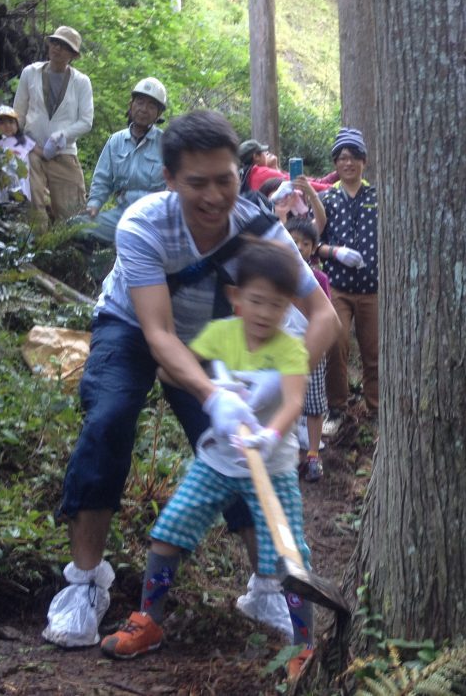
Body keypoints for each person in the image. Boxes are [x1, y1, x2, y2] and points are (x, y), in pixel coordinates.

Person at [41, 110, 338, 652]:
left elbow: (324, 318)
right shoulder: (143, 225)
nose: (213, 196)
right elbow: (158, 336)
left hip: (219, 343)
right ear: (170, 179)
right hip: (133, 327)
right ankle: (84, 585)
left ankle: (267, 586)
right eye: (196, 182)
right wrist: (211, 396)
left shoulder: (261, 231)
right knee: (108, 421)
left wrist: (273, 387)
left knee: (244, 449)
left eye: (224, 180)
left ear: (238, 175)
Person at [99, 239, 316, 678]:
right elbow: (172, 366)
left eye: (275, 305)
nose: (263, 313)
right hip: (215, 462)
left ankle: (304, 645)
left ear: (289, 306)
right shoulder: (219, 335)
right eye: (254, 301)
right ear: (235, 298)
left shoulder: (291, 348)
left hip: (270, 469)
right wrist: (215, 393)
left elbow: (293, 403)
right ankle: (149, 620)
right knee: (169, 532)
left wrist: (268, 436)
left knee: (290, 555)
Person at [314, 128, 378, 435]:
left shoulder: (377, 197)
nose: (347, 163)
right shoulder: (327, 199)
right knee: (335, 346)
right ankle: (336, 408)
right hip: (337, 287)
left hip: (373, 289)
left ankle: (376, 407)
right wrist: (335, 252)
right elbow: (313, 243)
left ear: (363, 161)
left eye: (353, 157)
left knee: (374, 348)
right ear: (335, 164)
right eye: (341, 158)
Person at [12, 26, 93, 231]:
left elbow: (86, 121)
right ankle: (34, 245)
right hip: (32, 149)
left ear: (73, 55)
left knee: (72, 212)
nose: (57, 49)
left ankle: (66, 249)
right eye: (55, 43)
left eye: (64, 47)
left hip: (63, 152)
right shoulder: (30, 73)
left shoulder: (81, 82)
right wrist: (19, 144)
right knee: (33, 204)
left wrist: (62, 135)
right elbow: (18, 114)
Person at [82, 77, 169, 244]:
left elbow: (176, 186)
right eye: (140, 102)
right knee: (76, 227)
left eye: (152, 105)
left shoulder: (166, 143)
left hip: (155, 218)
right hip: (122, 214)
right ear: (131, 105)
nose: (144, 109)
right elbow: (102, 179)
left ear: (159, 113)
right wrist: (94, 205)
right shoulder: (116, 141)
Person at [285, 217, 331, 482]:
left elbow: (325, 315)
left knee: (313, 405)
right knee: (286, 403)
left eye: (305, 243)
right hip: (282, 350)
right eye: (293, 242)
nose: (299, 247)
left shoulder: (319, 279)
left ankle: (313, 453)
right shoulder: (277, 277)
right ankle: (289, 456)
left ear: (313, 248)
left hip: (312, 346)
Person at [237, 139, 335, 195]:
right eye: (263, 152)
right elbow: (298, 183)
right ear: (256, 156)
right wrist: (334, 189)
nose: (267, 153)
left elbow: (313, 181)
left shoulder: (245, 174)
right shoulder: (261, 172)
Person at [0, 105, 34, 206]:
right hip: (4, 179)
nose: (7, 126)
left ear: (17, 124)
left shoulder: (24, 141)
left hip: (22, 178)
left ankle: (20, 199)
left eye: (11, 122)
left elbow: (39, 152)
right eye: (2, 123)